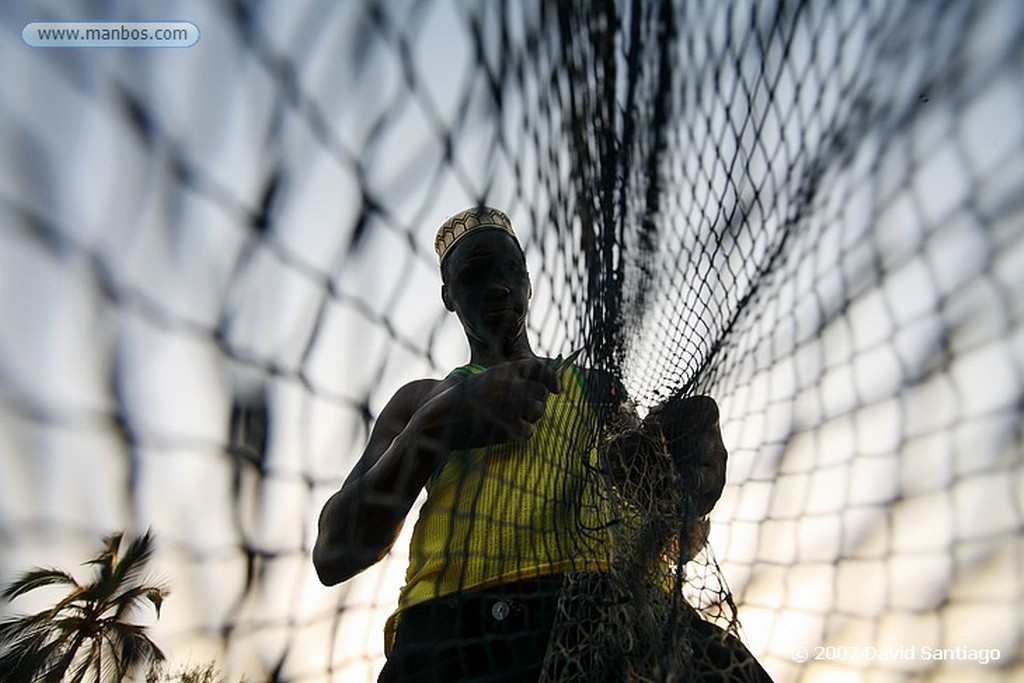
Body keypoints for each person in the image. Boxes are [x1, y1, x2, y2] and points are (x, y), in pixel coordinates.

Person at [313, 206, 772, 682]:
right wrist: (439, 425)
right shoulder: (422, 399)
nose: (496, 285)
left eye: (509, 269)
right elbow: (333, 553)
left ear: (529, 283)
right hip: (463, 637)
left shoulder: (599, 388)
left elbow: (681, 548)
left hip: (626, 621)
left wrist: (685, 487)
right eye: (473, 273)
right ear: (448, 296)